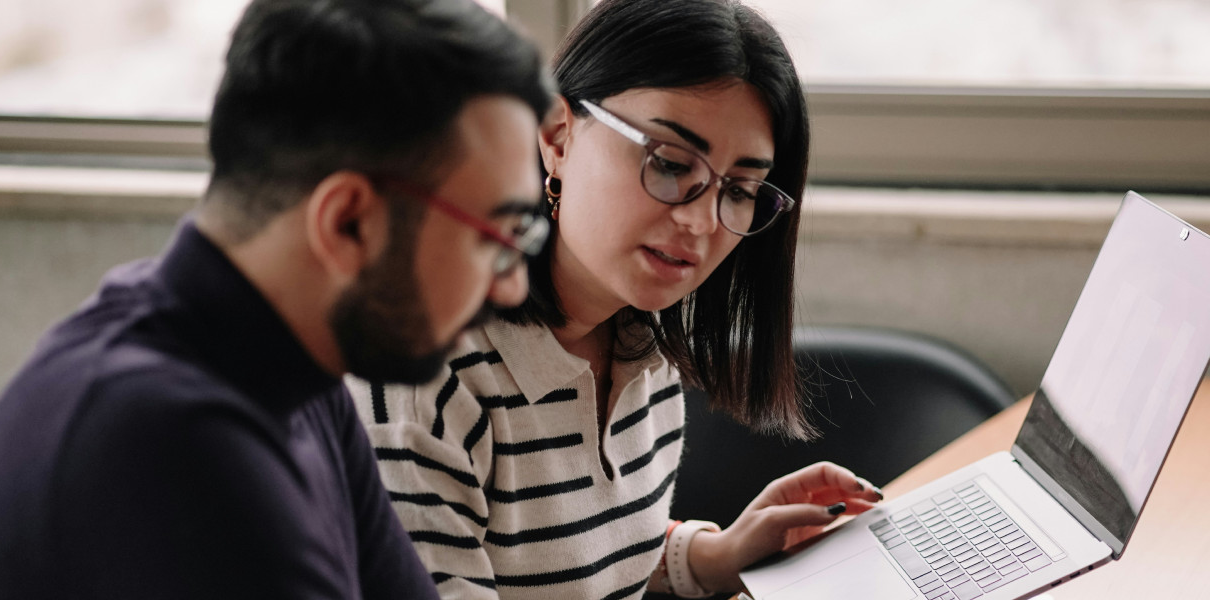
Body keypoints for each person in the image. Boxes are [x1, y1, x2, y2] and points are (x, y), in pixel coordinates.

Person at [0, 0, 552, 598]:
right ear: (348, 222)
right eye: (496, 237)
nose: (512, 284)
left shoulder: (298, 373)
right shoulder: (166, 441)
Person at [346, 0, 883, 598]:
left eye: (741, 190)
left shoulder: (641, 346)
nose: (703, 222)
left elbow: (580, 572)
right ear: (557, 137)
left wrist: (715, 556)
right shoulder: (424, 381)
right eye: (671, 163)